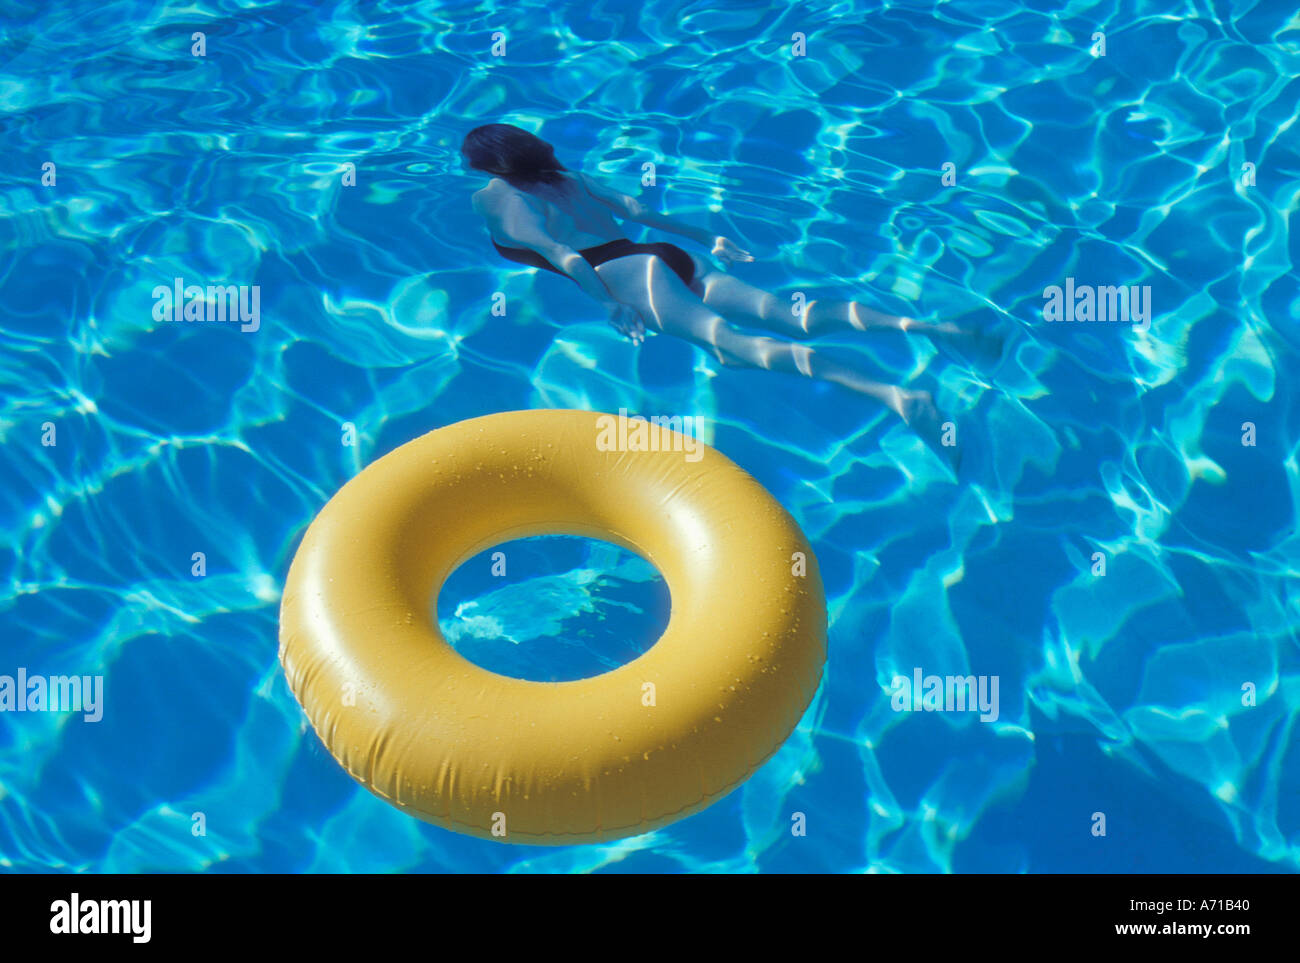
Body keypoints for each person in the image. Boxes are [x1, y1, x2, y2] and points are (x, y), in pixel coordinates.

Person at [463, 123, 994, 444]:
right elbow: (637, 208)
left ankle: (899, 397)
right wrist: (708, 237)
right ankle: (932, 327)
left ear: (484, 164)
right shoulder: (568, 178)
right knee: (788, 315)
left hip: (623, 274)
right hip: (662, 254)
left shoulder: (493, 197)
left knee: (740, 349)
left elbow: (563, 253)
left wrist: (608, 305)